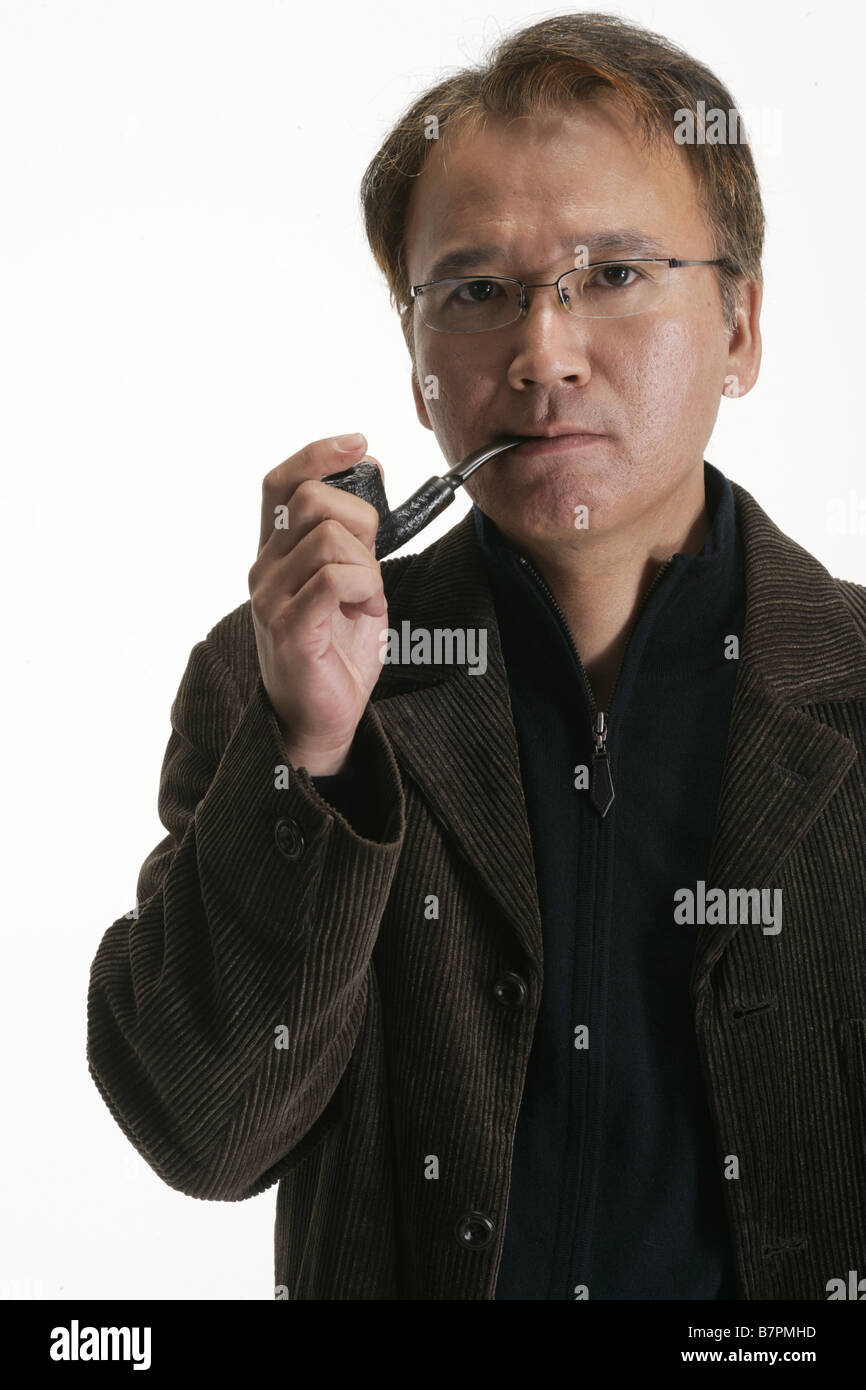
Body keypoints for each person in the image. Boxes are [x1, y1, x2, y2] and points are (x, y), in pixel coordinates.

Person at [86, 13, 866, 1300]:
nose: (541, 354)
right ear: (415, 369)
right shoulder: (272, 678)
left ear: (738, 325)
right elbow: (202, 1133)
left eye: (613, 274)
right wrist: (313, 751)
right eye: (475, 292)